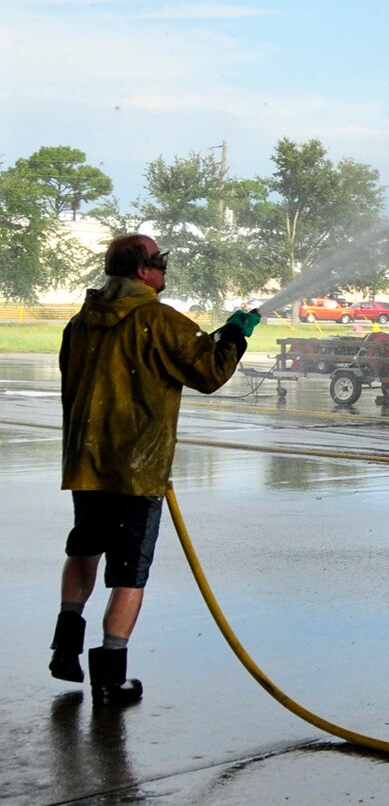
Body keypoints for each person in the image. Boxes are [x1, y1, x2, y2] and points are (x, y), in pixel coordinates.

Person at [50, 234, 260, 707]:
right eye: (160, 261)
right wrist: (234, 335)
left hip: (87, 462)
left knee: (84, 547)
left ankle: (65, 644)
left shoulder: (81, 323)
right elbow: (209, 373)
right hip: (137, 468)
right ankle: (110, 677)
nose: (164, 269)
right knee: (129, 572)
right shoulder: (158, 320)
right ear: (142, 271)